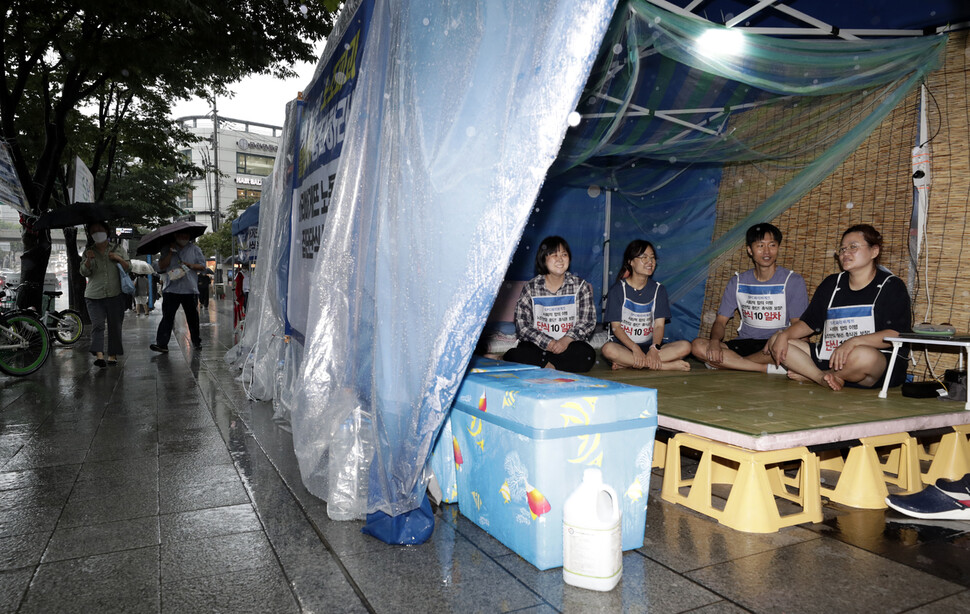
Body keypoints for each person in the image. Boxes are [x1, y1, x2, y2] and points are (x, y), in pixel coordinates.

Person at [769, 224, 911, 391]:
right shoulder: (831, 284)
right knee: (777, 340)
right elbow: (809, 323)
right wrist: (784, 336)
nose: (845, 253)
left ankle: (815, 374)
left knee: (864, 356)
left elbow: (896, 334)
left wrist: (853, 342)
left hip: (873, 363)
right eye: (842, 249)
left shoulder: (891, 286)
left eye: (853, 247)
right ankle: (821, 377)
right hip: (829, 356)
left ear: (874, 251)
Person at [691, 223, 809, 374]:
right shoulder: (737, 282)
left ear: (778, 248)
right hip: (744, 344)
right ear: (749, 250)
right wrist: (714, 342)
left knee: (799, 346)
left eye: (772, 245)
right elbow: (720, 321)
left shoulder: (793, 281)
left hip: (777, 344)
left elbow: (798, 325)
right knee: (697, 345)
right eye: (760, 245)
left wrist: (780, 339)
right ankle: (764, 368)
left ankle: (729, 363)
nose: (767, 251)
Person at [503, 236, 597, 373]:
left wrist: (565, 340)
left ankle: (547, 366)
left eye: (564, 254)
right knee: (520, 354)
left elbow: (588, 322)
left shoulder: (580, 286)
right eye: (554, 255)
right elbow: (522, 326)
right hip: (538, 346)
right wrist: (549, 343)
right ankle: (555, 365)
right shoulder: (531, 287)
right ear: (543, 259)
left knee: (587, 355)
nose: (560, 259)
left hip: (568, 346)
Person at [601, 240, 690, 371]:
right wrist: (635, 348)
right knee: (608, 350)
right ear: (630, 262)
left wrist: (654, 349)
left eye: (652, 257)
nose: (650, 261)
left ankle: (630, 363)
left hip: (650, 347)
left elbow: (659, 325)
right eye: (644, 257)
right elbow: (616, 328)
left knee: (686, 346)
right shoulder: (618, 290)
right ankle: (662, 366)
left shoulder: (659, 290)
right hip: (625, 347)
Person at [78, 221, 130, 367]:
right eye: (93, 231)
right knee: (98, 324)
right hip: (94, 295)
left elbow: (128, 267)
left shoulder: (118, 248)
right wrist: (88, 259)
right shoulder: (88, 251)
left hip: (115, 294)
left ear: (107, 232)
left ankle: (112, 356)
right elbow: (83, 272)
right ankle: (99, 355)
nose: (97, 233)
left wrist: (118, 258)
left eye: (100, 229)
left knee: (115, 325)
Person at [150, 229, 206, 353]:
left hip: (190, 289)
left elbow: (202, 266)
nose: (183, 237)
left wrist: (190, 265)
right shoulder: (167, 248)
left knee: (193, 318)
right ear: (175, 235)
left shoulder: (195, 249)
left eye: (186, 235)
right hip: (171, 289)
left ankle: (196, 341)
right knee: (167, 318)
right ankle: (162, 344)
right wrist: (170, 251)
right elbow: (162, 266)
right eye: (180, 235)